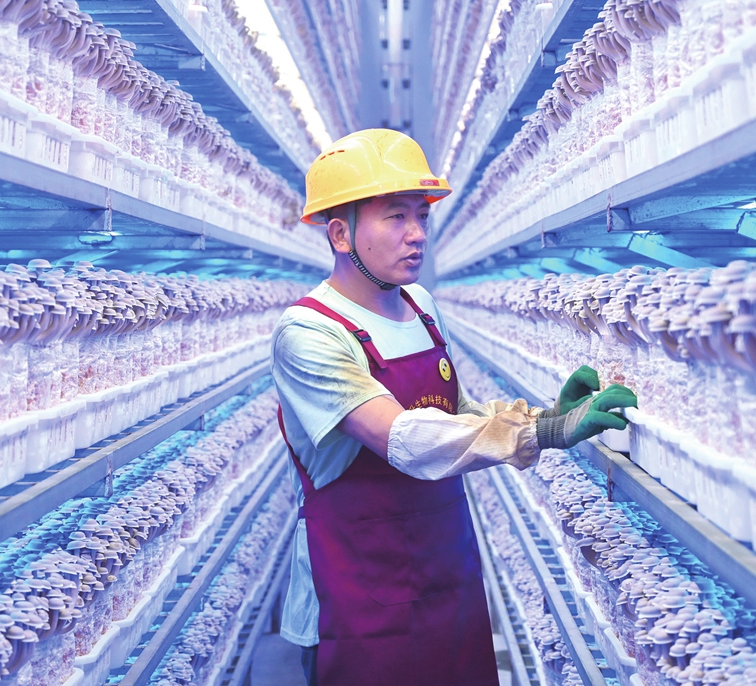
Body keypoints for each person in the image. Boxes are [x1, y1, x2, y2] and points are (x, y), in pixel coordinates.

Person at [271, 128, 636, 686]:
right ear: (341, 234)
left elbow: (453, 413)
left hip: (448, 573)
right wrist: (542, 432)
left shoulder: (420, 307)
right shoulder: (309, 332)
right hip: (358, 587)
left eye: (422, 214)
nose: (417, 234)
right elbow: (403, 440)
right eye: (395, 217)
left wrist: (536, 414)